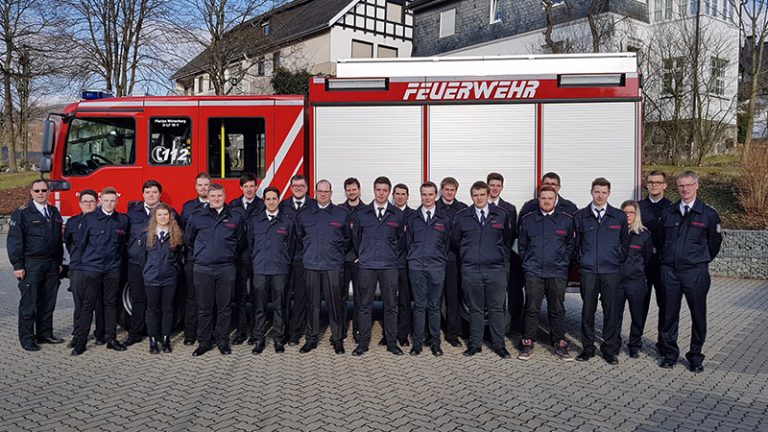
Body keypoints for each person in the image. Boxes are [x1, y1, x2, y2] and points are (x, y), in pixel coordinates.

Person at [659, 171, 722, 373]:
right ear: (677, 187)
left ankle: (695, 356)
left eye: (688, 185)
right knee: (669, 315)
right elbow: (661, 241)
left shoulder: (708, 214)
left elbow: (714, 244)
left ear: (697, 186)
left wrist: (697, 260)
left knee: (698, 315)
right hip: (670, 272)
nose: (685, 189)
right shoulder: (669, 212)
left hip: (695, 272)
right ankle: (669, 354)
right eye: (681, 186)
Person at [452, 181, 514, 359]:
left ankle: (499, 345)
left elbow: (507, 240)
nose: (479, 198)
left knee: (496, 309)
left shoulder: (501, 214)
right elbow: (456, 241)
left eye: (482, 195)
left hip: (495, 270)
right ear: (472, 197)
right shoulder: (463, 216)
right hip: (471, 270)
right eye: (475, 195)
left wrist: (498, 258)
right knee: (475, 309)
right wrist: (467, 255)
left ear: (488, 195)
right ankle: (475, 344)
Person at [185, 183, 246, 356]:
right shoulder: (196, 217)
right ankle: (204, 341)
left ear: (224, 196)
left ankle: (222, 341)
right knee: (204, 307)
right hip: (203, 268)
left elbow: (240, 241)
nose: (216, 199)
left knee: (224, 307)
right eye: (213, 196)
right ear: (208, 197)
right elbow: (189, 240)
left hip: (226, 268)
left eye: (219, 196)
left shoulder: (235, 217)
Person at [574, 177, 629, 365]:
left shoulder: (619, 216)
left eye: (604, 192)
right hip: (589, 271)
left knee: (611, 312)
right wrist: (583, 259)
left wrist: (615, 259)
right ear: (591, 192)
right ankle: (587, 348)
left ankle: (609, 349)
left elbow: (624, 243)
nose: (600, 195)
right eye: (597, 192)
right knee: (587, 311)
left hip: (611, 271)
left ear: (609, 194)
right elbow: (576, 244)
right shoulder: (580, 216)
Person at [517, 186, 576, 361]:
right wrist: (528, 264)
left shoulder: (566, 220)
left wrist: (563, 262)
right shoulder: (528, 220)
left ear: (555, 199)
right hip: (534, 272)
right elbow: (522, 246)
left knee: (557, 309)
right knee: (531, 308)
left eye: (550, 198)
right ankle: (527, 343)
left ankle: (559, 343)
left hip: (557, 272)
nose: (546, 201)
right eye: (543, 198)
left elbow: (571, 245)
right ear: (538, 200)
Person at [8, 179, 64, 351]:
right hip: (32, 264)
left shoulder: (54, 212)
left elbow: (57, 240)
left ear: (48, 192)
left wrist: (59, 262)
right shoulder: (22, 213)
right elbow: (15, 241)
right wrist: (18, 265)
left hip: (52, 264)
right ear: (31, 192)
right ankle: (27, 339)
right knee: (29, 303)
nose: (41, 193)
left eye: (44, 190)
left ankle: (45, 333)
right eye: (37, 190)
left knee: (48, 302)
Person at [296, 180, 352, 354]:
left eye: (326, 191)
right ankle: (311, 338)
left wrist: (336, 255)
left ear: (331, 193)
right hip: (312, 264)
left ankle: (337, 339)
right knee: (312, 303)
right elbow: (300, 237)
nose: (322, 194)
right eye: (320, 191)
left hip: (333, 266)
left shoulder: (341, 214)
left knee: (335, 303)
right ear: (315, 192)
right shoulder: (305, 214)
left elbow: (348, 239)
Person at [351, 176, 405, 356]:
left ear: (389, 192)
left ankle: (391, 343)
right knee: (364, 305)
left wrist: (391, 255)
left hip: (389, 265)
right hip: (367, 266)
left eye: (384, 190)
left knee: (391, 306)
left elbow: (401, 240)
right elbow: (356, 238)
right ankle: (363, 343)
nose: (381, 193)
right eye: (378, 189)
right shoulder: (362, 214)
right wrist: (363, 254)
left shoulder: (397, 215)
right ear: (374, 191)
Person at [72, 187, 129, 355]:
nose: (109, 203)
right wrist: (87, 262)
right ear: (100, 201)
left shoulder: (123, 220)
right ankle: (81, 341)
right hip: (92, 268)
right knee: (88, 305)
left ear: (117, 201)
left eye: (113, 201)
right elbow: (81, 243)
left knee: (110, 303)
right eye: (106, 200)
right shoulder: (89, 219)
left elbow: (122, 244)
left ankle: (111, 338)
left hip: (112, 268)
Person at [405, 182, 451, 357]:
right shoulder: (412, 218)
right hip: (416, 267)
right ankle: (417, 343)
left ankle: (435, 343)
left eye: (430, 194)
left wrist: (439, 258)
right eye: (424, 194)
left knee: (434, 306)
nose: (427, 198)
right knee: (419, 306)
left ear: (436, 196)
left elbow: (446, 243)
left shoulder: (444, 218)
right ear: (421, 195)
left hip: (436, 267)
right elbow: (408, 242)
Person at [248, 187, 293, 354]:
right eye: (268, 199)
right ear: (264, 201)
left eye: (274, 198)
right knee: (259, 307)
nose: (271, 202)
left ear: (278, 200)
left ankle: (278, 339)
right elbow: (250, 244)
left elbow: (292, 246)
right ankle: (259, 339)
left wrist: (284, 261)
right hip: (260, 269)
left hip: (279, 270)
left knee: (279, 306)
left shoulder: (287, 222)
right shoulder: (255, 221)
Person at [124, 180, 165, 347]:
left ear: (160, 195)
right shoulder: (132, 214)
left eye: (154, 192)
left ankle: (159, 333)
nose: (151, 195)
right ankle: (135, 333)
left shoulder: (167, 213)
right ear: (143, 195)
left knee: (157, 300)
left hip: (157, 264)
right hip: (136, 263)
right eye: (148, 192)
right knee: (138, 299)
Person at [638, 170, 672, 355]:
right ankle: (636, 342)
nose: (654, 185)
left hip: (663, 265)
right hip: (642, 265)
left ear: (665, 185)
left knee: (665, 305)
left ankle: (664, 343)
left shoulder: (671, 208)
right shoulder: (639, 207)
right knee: (639, 305)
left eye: (658, 182)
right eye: (651, 182)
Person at [142, 203, 184, 354]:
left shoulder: (176, 235)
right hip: (151, 279)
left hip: (169, 279)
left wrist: (174, 270)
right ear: (155, 217)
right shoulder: (147, 235)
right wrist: (147, 272)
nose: (162, 217)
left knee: (168, 309)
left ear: (170, 217)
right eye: (159, 215)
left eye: (165, 214)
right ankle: (153, 340)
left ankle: (165, 339)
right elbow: (143, 258)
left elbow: (179, 257)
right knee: (152, 310)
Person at [280, 174, 315, 345]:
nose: (298, 188)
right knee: (284, 297)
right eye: (295, 186)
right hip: (285, 260)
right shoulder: (283, 206)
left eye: (302, 185)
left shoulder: (314, 206)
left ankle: (295, 333)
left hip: (304, 259)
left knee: (301, 297)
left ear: (307, 188)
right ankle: (284, 330)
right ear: (291, 187)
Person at [230, 172, 264, 345]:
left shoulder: (263, 205)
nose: (249, 189)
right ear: (241, 188)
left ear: (256, 187)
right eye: (246, 186)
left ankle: (255, 332)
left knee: (258, 297)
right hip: (239, 257)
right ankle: (241, 331)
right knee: (240, 296)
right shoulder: (233, 205)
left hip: (258, 256)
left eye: (252, 186)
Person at [63, 189, 100, 348]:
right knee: (79, 303)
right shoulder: (72, 222)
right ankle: (78, 335)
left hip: (97, 267)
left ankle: (100, 334)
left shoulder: (101, 220)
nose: (88, 204)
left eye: (91, 201)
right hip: (78, 268)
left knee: (98, 303)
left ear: (96, 203)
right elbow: (69, 243)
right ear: (80, 204)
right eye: (85, 202)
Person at [616, 200, 653, 359]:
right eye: (625, 213)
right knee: (614, 316)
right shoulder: (615, 232)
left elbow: (649, 259)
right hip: (617, 282)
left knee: (637, 316)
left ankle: (634, 345)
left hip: (636, 282)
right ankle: (614, 344)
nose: (628, 216)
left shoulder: (644, 235)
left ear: (636, 214)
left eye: (631, 212)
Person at [486, 172, 522, 335]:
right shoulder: (479, 204)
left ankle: (499, 332)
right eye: (492, 185)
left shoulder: (509, 209)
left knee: (501, 296)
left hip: (502, 259)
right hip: (482, 259)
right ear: (487, 186)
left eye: (498, 185)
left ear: (502, 187)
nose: (494, 188)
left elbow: (511, 234)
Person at [435, 177, 468, 348]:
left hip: (453, 259)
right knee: (433, 298)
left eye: (452, 190)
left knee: (453, 298)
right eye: (446, 189)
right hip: (435, 260)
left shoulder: (462, 209)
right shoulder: (433, 206)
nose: (449, 192)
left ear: (456, 190)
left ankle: (452, 333)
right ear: (441, 190)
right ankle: (430, 333)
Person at [181, 172, 211, 346]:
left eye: (206, 185)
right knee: (192, 297)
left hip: (212, 261)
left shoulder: (218, 205)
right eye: (200, 185)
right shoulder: (188, 208)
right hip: (194, 259)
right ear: (196, 187)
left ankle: (207, 333)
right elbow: (185, 235)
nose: (203, 188)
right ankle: (190, 333)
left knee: (209, 298)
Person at [339, 177, 365, 343]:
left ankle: (357, 330)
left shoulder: (367, 210)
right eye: (348, 189)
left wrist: (362, 255)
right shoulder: (340, 210)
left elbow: (369, 237)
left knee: (359, 298)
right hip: (342, 261)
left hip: (359, 262)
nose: (351, 192)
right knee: (340, 297)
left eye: (354, 189)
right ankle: (341, 330)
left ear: (359, 189)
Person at [392, 183, 414, 346]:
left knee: (404, 302)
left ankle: (403, 335)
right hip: (390, 265)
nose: (400, 196)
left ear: (407, 196)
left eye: (403, 194)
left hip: (406, 264)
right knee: (389, 302)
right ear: (393, 195)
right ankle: (389, 335)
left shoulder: (413, 215)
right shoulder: (387, 213)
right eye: (397, 194)